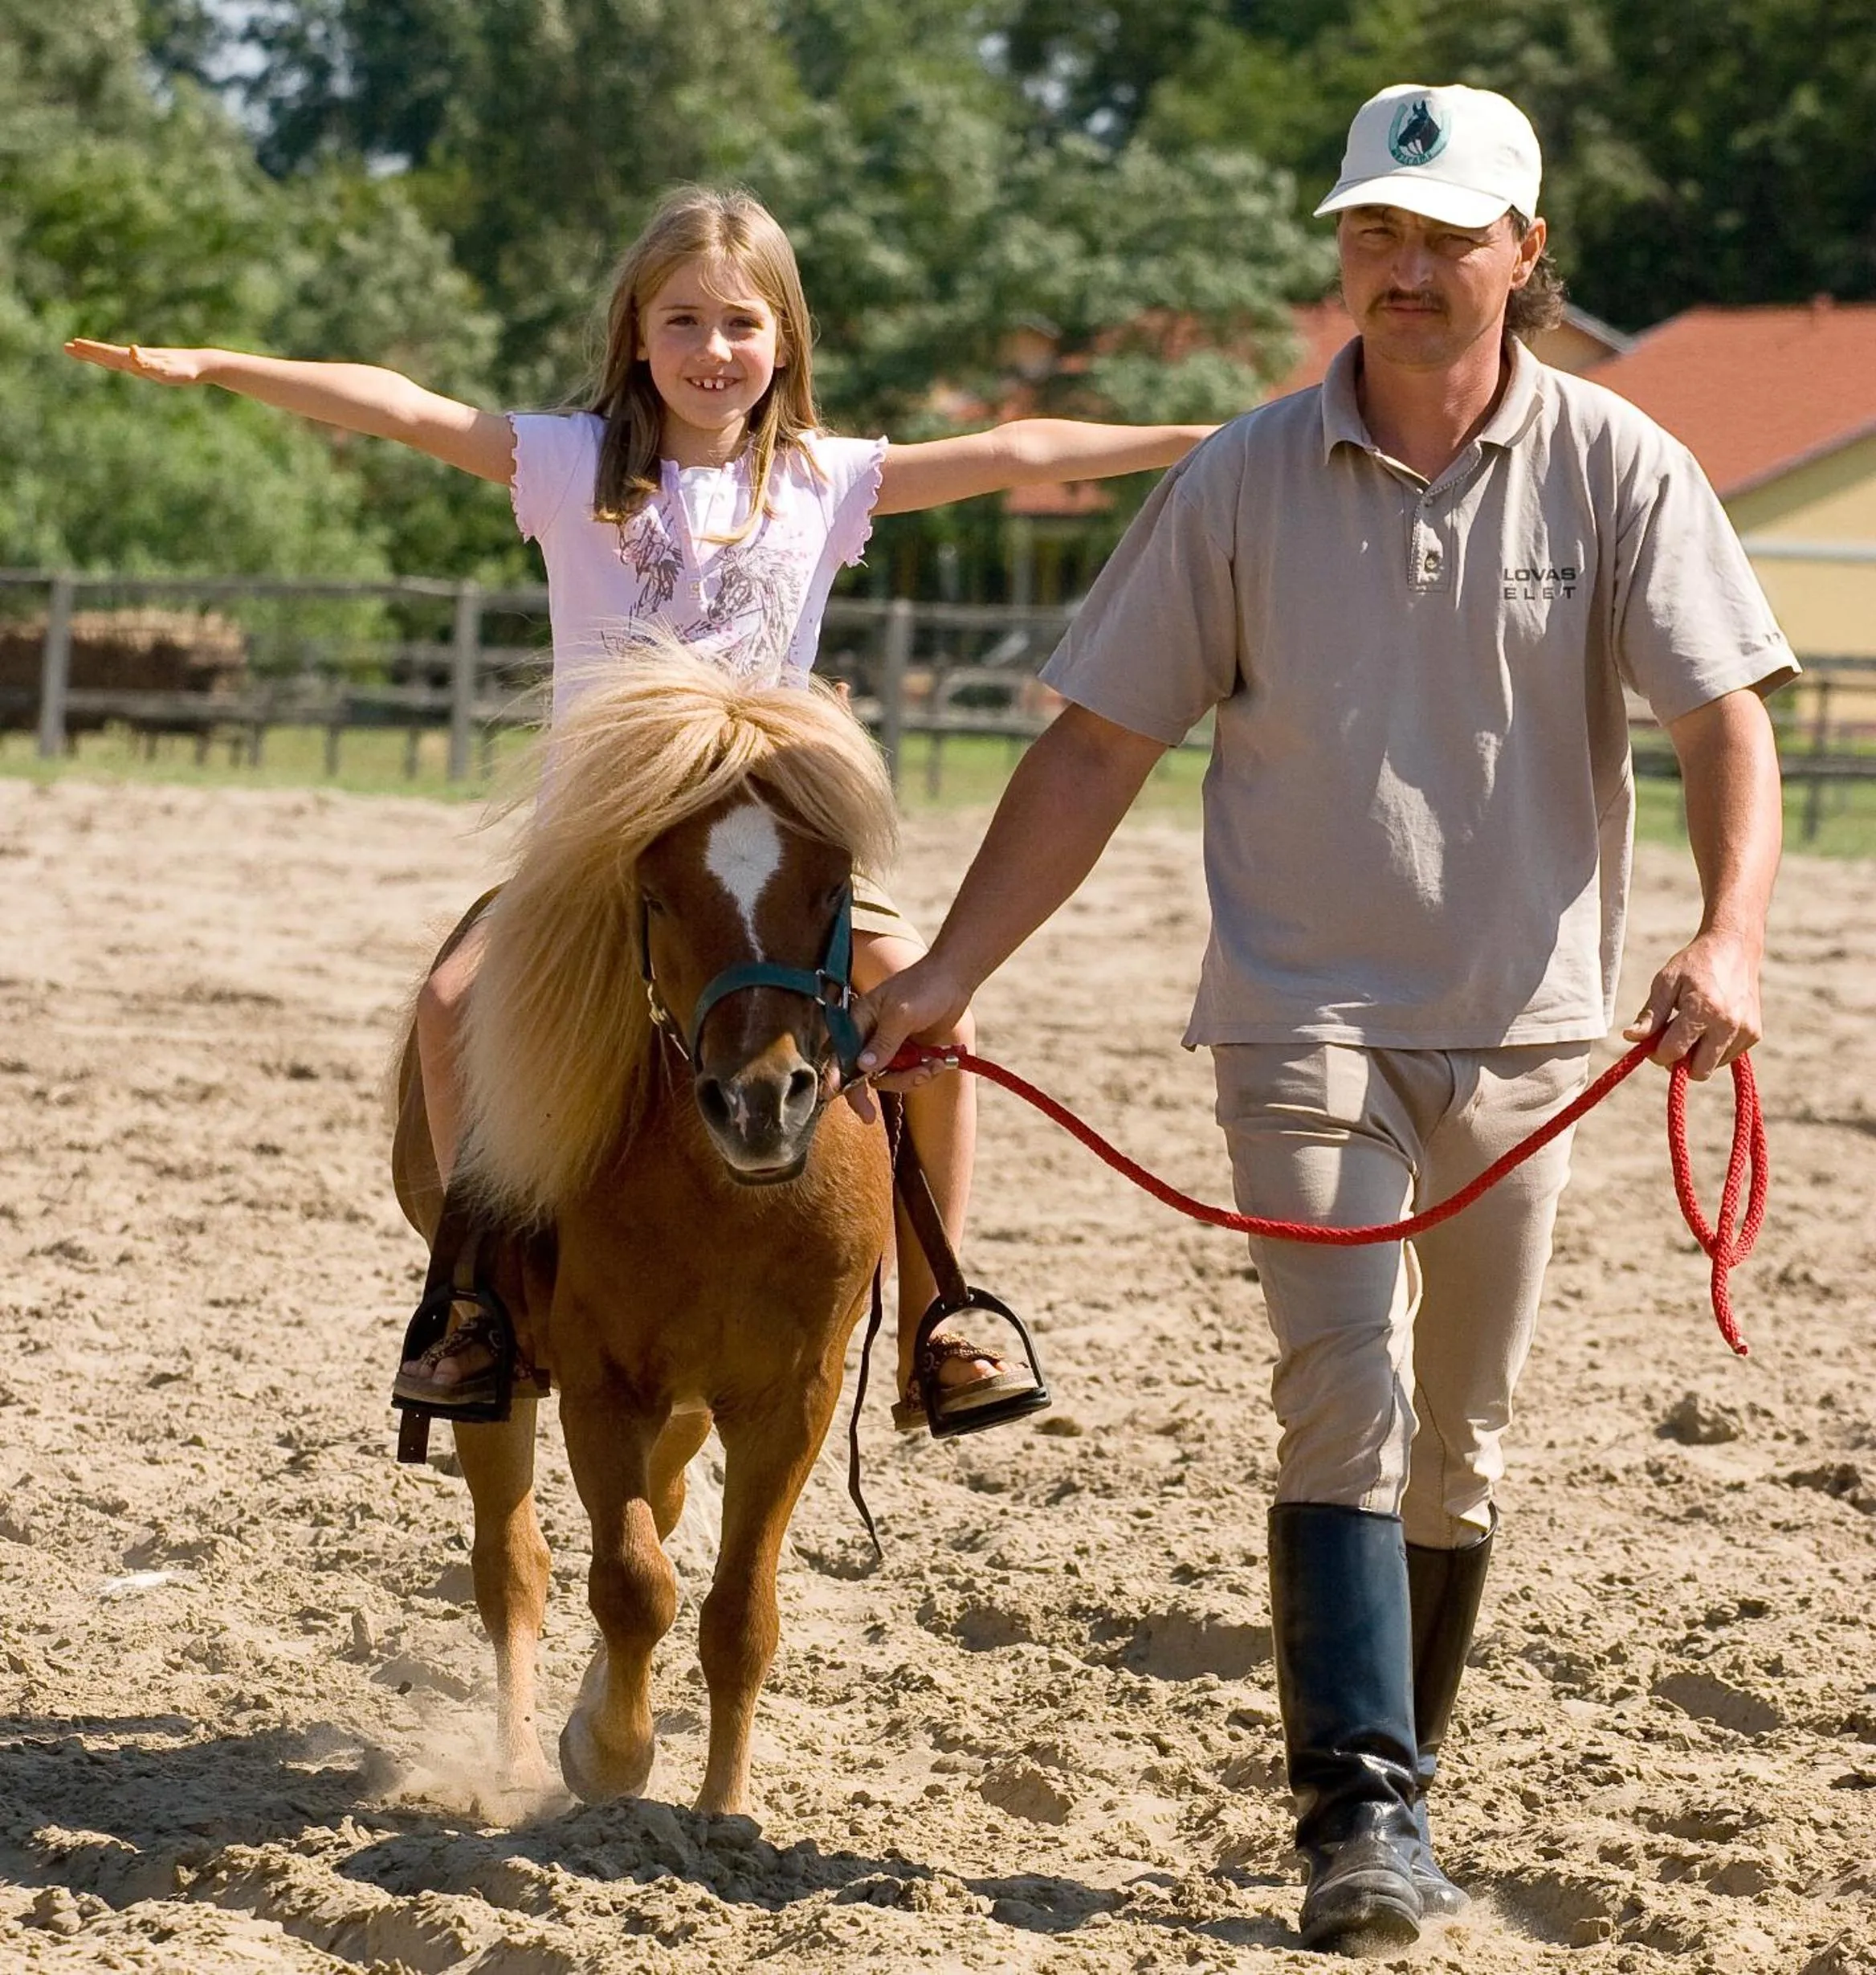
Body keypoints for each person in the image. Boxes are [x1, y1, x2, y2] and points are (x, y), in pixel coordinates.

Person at [858, 83, 1792, 1956]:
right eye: (1375, 234)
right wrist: (952, 973)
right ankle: (1354, 1816)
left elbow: (1720, 724)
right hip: (1298, 1011)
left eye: (1447, 240)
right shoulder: (1242, 476)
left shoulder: (1619, 465)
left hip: (1527, 1023)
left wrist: (1732, 938)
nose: (1405, 269)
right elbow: (1098, 745)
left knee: (1468, 1430)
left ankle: (1400, 1780)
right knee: (1342, 1391)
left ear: (1526, 258)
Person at [66, 184, 1212, 1438]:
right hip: (600, 847)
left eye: (740, 323)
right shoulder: (564, 463)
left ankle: (941, 1312)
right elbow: (396, 402)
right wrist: (219, 364)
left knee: (936, 1008)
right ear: (635, 334)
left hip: (772, 849)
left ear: (784, 339)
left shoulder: (827, 480)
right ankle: (480, 1298)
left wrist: (1205, 435)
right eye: (682, 322)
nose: (712, 351)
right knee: (453, 1006)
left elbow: (1018, 451)